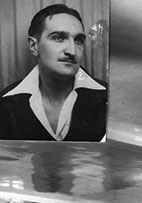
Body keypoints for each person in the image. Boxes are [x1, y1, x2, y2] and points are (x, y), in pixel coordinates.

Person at [0, 4, 107, 142]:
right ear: (34, 46)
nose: (72, 51)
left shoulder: (109, 98)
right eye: (59, 38)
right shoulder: (5, 104)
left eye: (78, 40)